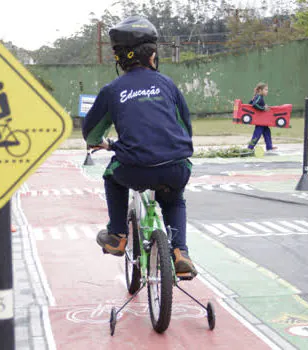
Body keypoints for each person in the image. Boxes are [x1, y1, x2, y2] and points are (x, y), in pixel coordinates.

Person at [82, 16, 197, 277]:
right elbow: (185, 128)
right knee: (174, 199)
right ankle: (181, 252)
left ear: (120, 58)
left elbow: (91, 133)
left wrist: (101, 143)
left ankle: (118, 236)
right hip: (175, 166)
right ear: (152, 56)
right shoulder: (167, 85)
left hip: (135, 168)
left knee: (112, 177)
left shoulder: (113, 90)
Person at [247, 82, 277, 152]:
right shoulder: (259, 97)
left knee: (267, 131)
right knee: (257, 134)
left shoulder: (258, 97)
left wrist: (262, 106)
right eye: (266, 90)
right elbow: (254, 104)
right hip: (260, 121)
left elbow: (251, 103)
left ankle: (269, 147)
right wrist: (263, 108)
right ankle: (250, 148)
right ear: (260, 90)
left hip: (263, 121)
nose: (267, 91)